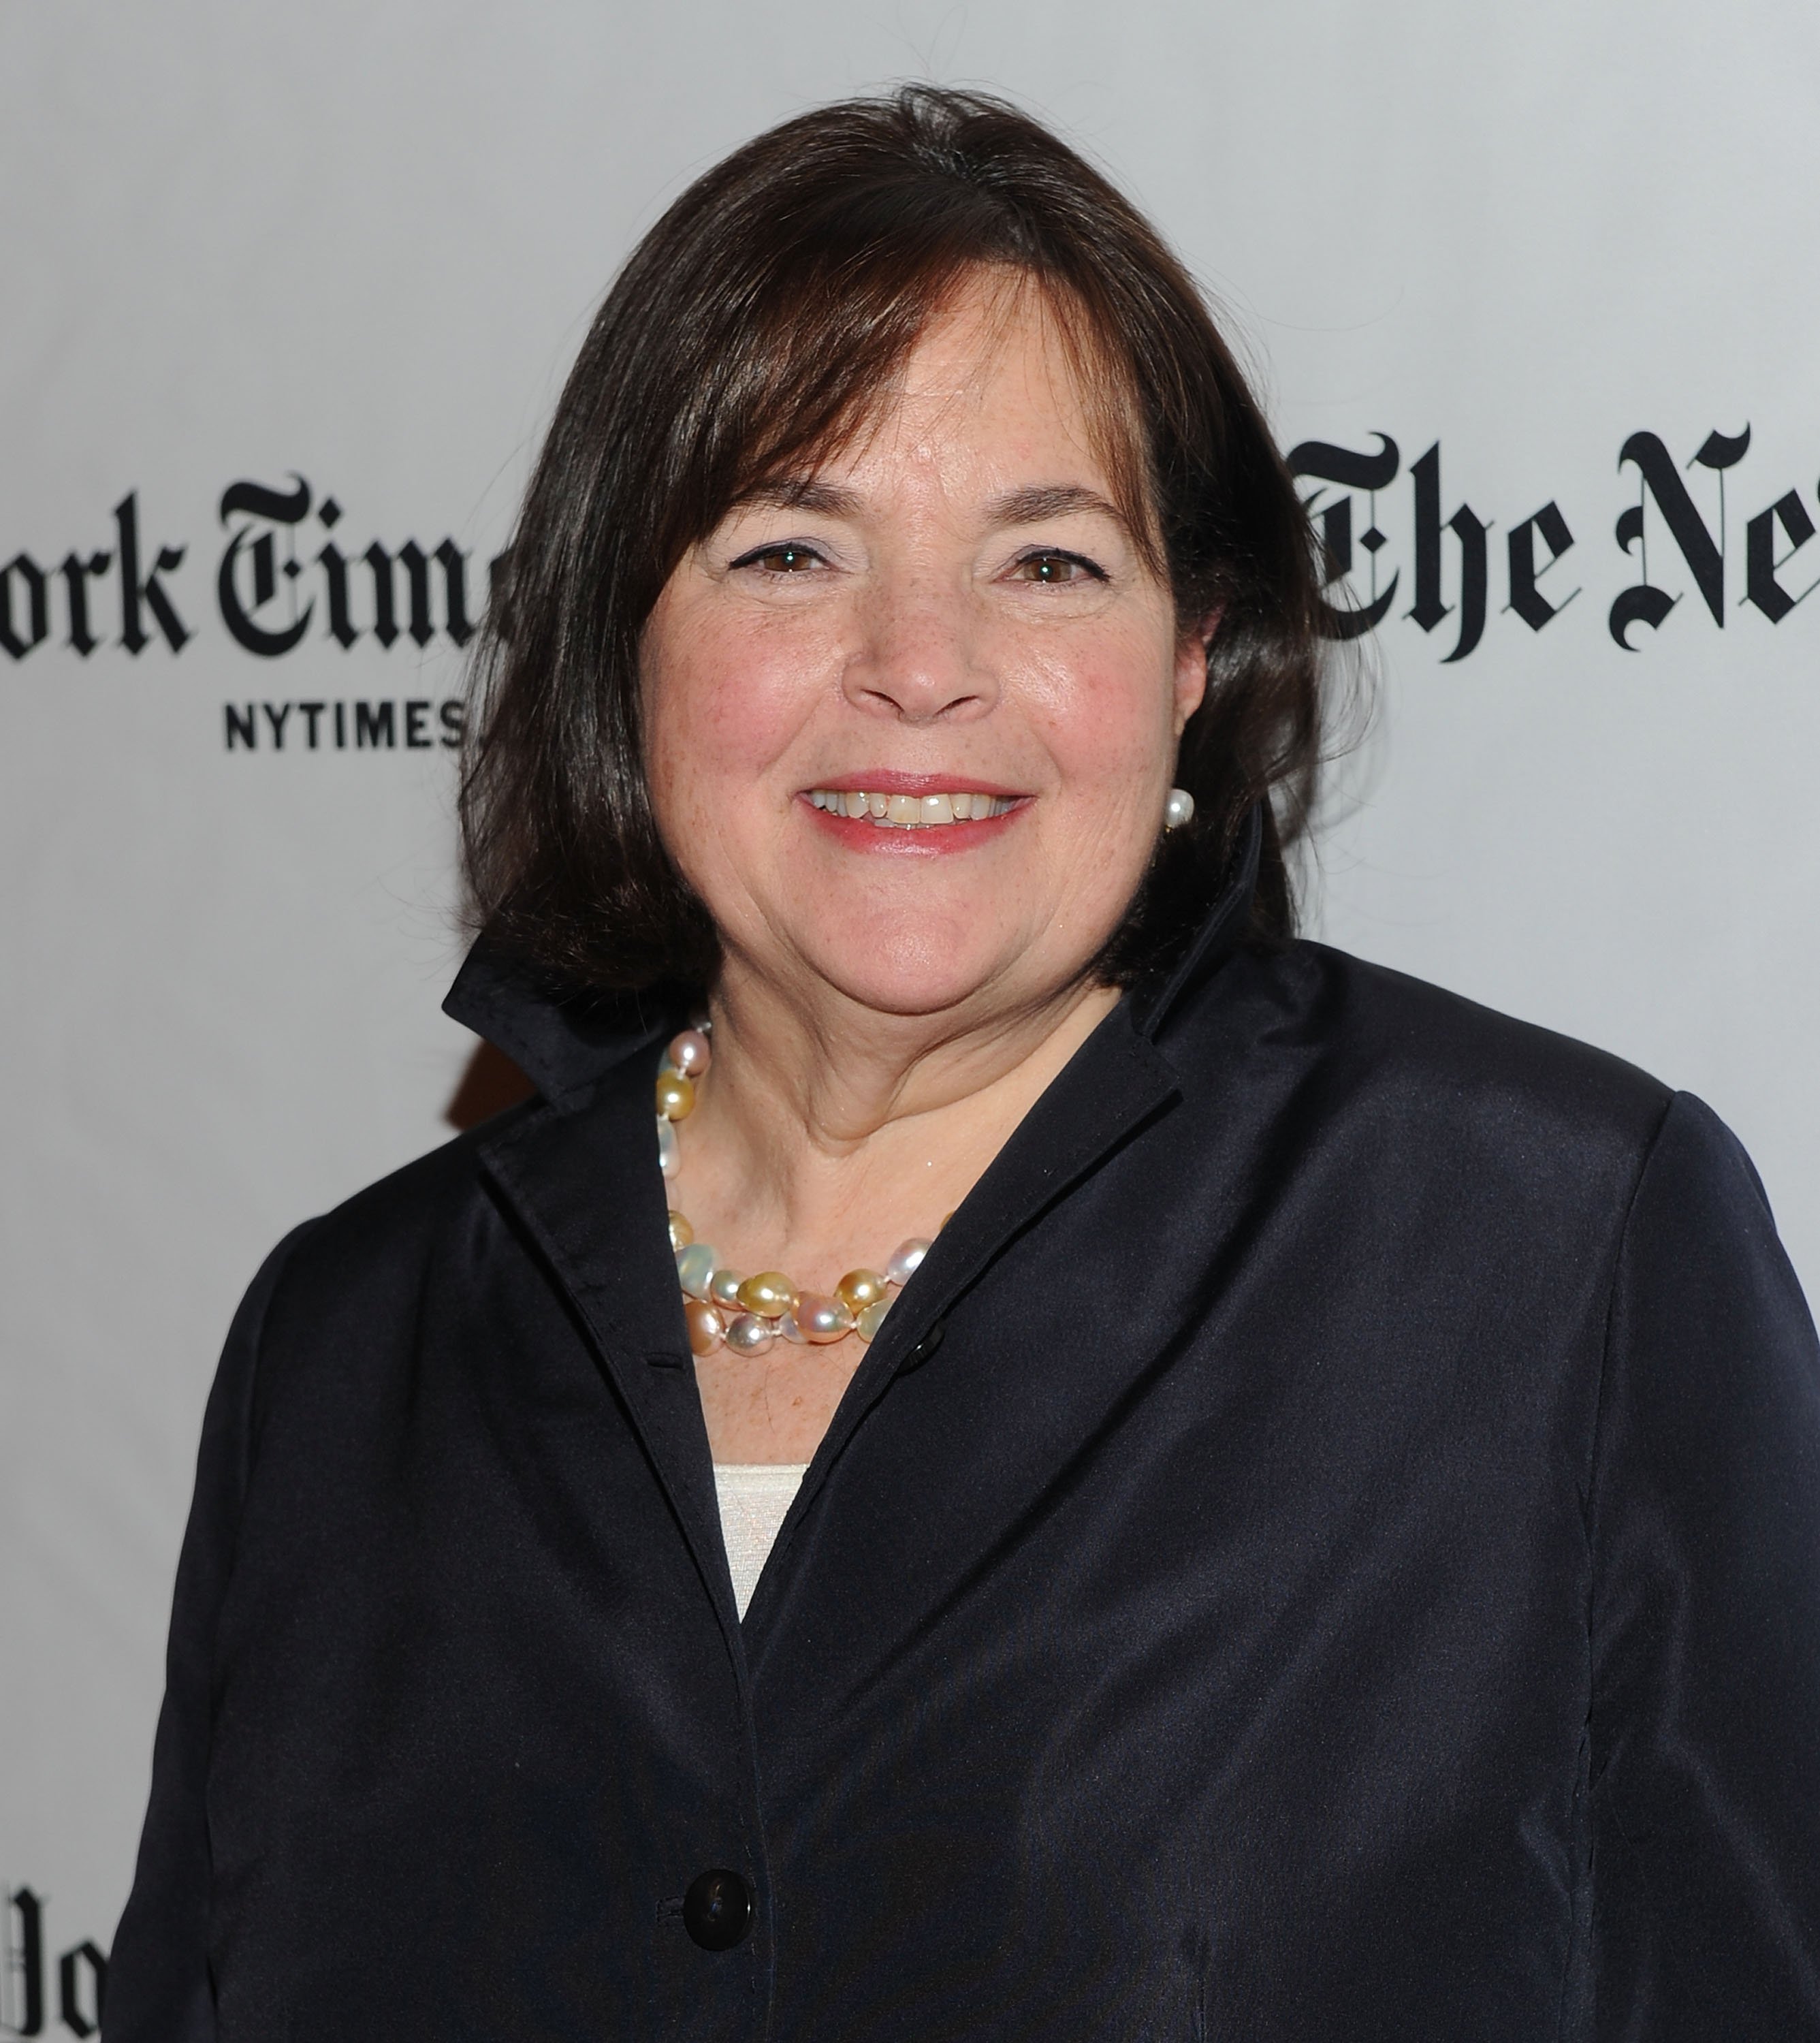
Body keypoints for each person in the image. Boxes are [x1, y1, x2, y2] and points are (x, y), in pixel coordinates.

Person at [107, 87, 1820, 2041]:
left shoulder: (1552, 1253)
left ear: (1193, 660)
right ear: (624, 652)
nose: (916, 663)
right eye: (785, 551)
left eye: (1048, 563)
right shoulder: (345, 1350)